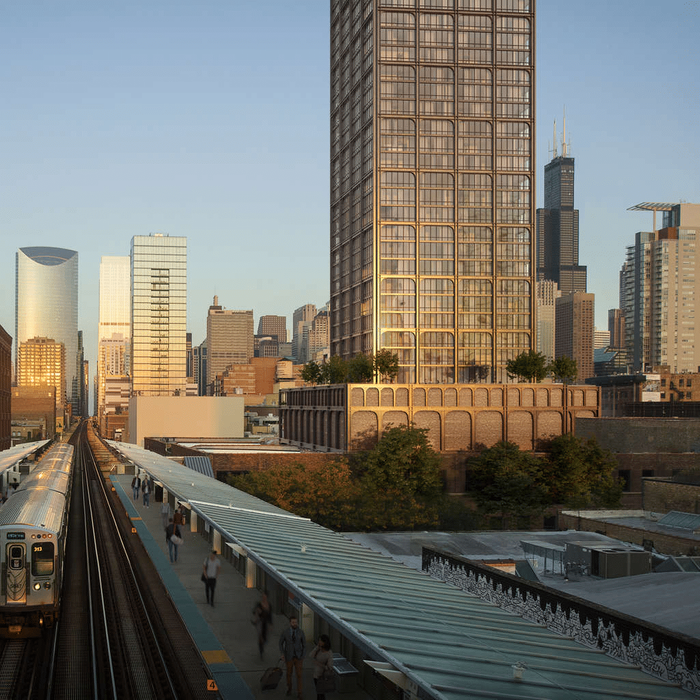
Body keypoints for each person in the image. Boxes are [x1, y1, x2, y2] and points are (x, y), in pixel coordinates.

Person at [279, 615, 306, 699]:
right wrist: (282, 653)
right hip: (289, 656)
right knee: (289, 674)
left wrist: (302, 655)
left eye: (296, 622)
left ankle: (300, 692)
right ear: (290, 623)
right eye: (293, 622)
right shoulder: (285, 632)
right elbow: (280, 643)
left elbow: (304, 644)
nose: (295, 624)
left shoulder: (301, 632)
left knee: (299, 675)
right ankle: (289, 689)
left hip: (298, 657)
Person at [310, 635, 334, 700]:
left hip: (323, 676)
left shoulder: (329, 653)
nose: (319, 642)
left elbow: (330, 667)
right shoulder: (319, 650)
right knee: (319, 693)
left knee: (321, 694)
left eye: (321, 641)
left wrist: (320, 664)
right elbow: (311, 655)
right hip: (316, 675)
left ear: (325, 642)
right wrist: (317, 647)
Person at [252, 590, 273, 658]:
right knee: (260, 636)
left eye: (265, 596)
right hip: (259, 622)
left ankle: (263, 644)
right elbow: (254, 611)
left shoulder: (269, 605)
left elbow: (270, 615)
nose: (263, 597)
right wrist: (257, 611)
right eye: (263, 596)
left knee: (265, 637)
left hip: (266, 622)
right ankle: (261, 650)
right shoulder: (259, 604)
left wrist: (270, 623)